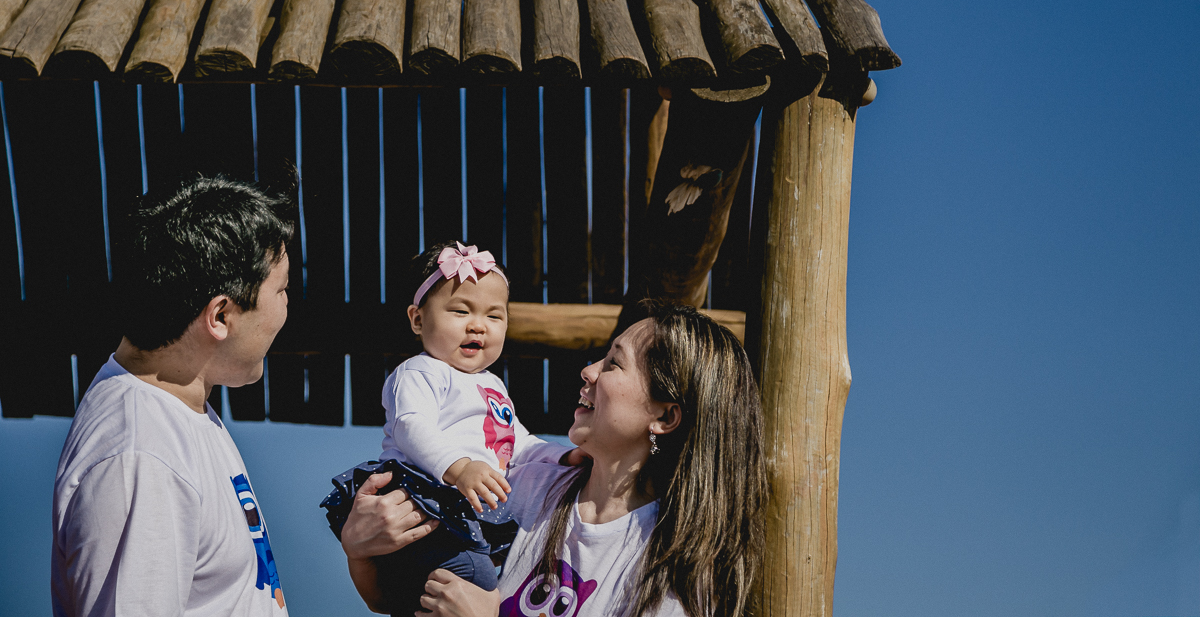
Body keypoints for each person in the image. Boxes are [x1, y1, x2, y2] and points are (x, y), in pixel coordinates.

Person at [341, 301, 768, 617]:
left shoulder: (681, 571)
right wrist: (361, 553)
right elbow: (412, 596)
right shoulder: (526, 485)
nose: (589, 370)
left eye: (614, 363)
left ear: (665, 416)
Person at [51, 176, 294, 617]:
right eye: (280, 290)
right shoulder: (141, 454)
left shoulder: (177, 411)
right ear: (220, 315)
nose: (286, 307)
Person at [325, 241, 579, 616]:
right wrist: (459, 467)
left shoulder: (493, 385)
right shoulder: (420, 371)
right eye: (460, 310)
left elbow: (517, 443)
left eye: (494, 316)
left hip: (468, 511)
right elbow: (412, 427)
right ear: (417, 319)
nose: (478, 324)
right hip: (423, 499)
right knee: (473, 576)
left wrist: (565, 456)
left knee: (509, 571)